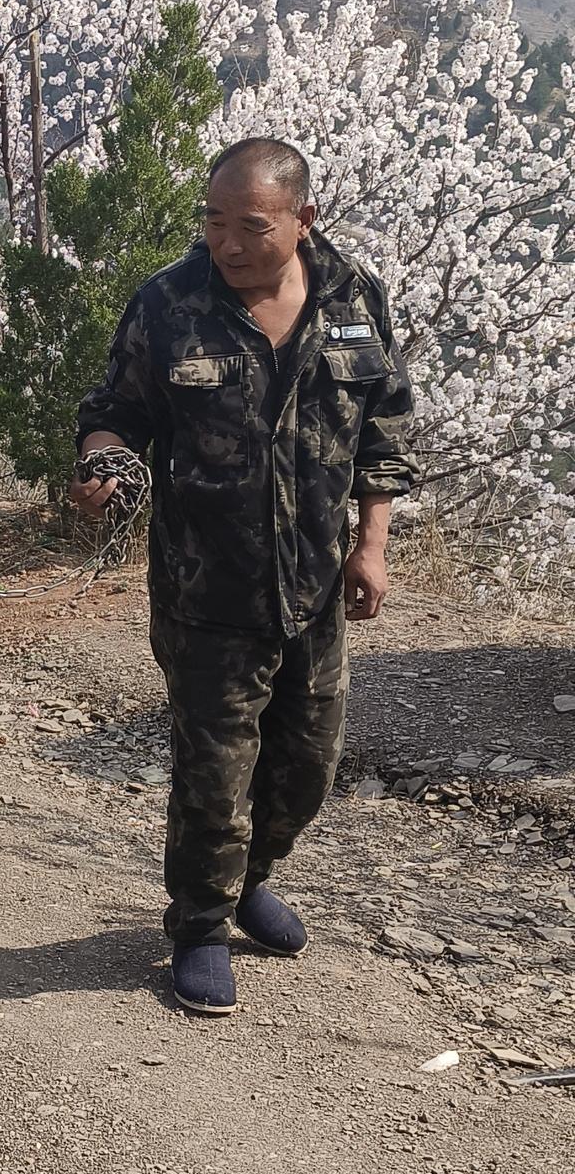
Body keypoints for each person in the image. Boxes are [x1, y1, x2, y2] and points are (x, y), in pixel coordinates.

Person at [70, 137, 415, 1017]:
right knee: (215, 773)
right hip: (204, 588)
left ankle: (249, 876)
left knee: (308, 765)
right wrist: (105, 463)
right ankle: (198, 925)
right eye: (214, 222)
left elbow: (385, 433)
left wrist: (371, 546)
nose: (227, 242)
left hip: (313, 585)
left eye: (250, 226)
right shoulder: (169, 303)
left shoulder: (352, 297)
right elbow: (114, 412)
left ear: (303, 220)